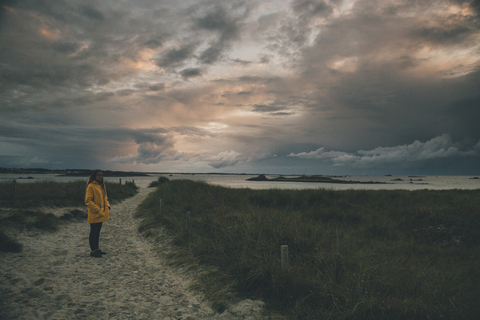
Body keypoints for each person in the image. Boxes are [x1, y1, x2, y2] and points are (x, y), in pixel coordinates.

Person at [85, 170, 110, 258]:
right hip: (95, 213)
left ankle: (97, 249)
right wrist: (98, 209)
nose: (100, 176)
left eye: (101, 175)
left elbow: (105, 197)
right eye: (98, 175)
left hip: (101, 213)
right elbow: (88, 201)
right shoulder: (91, 186)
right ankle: (93, 251)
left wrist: (107, 205)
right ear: (94, 176)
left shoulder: (101, 186)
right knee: (93, 232)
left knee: (98, 232)